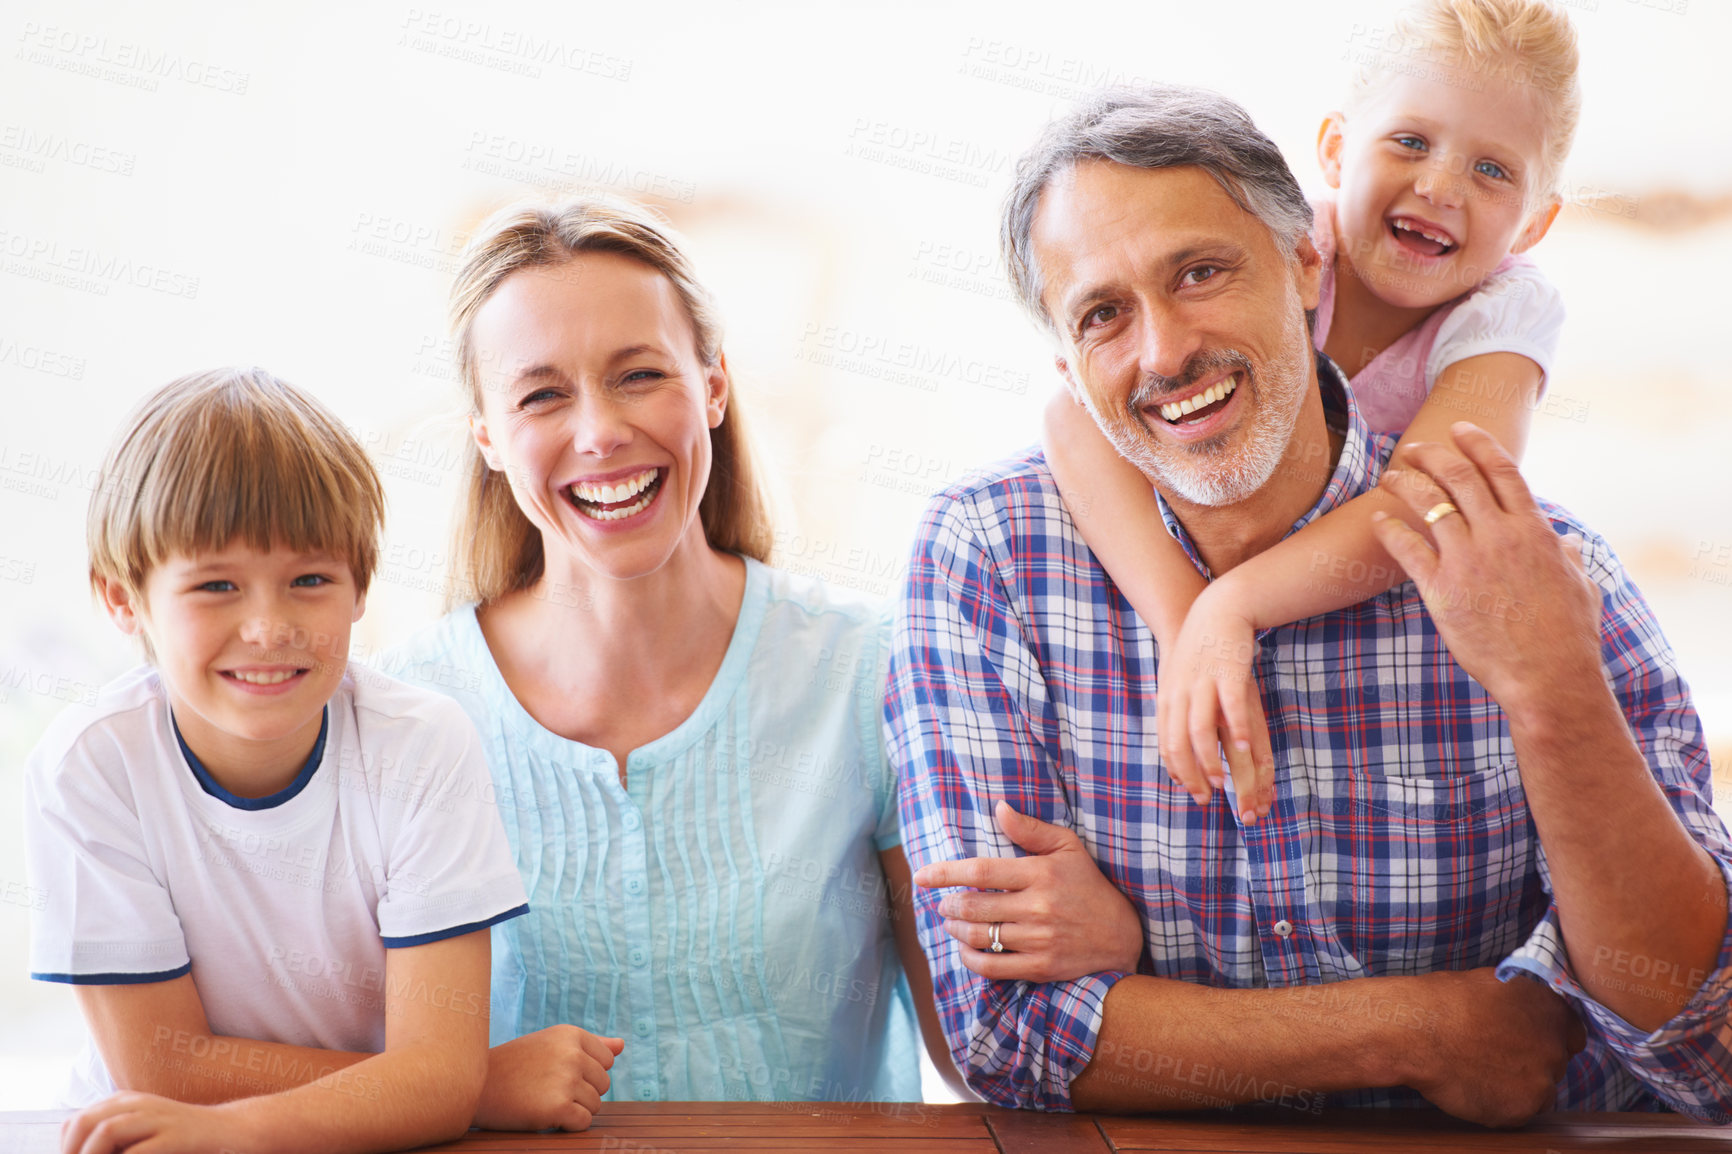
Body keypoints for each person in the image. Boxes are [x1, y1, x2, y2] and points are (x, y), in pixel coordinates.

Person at [886, 84, 1732, 1124]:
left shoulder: (1539, 565)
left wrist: (1554, 694)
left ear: (1303, 263)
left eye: (1199, 272)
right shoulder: (990, 558)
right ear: (1066, 364)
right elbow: (1005, 1030)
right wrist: (1426, 1029)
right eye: (1103, 314)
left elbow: (1704, 1039)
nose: (1162, 352)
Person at [383, 194, 990, 1124]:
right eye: (543, 394)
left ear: (712, 386)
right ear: (488, 439)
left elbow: (978, 1052)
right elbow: (356, 1071)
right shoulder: (406, 716)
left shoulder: (869, 671)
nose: (600, 432)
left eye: (638, 374)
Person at [1043, 0, 1577, 817]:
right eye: (1410, 142)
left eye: (1493, 170)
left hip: (1370, 620)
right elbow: (1070, 418)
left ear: (1536, 221)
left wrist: (1237, 604)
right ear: (1335, 149)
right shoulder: (1278, 251)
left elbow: (1427, 505)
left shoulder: (1504, 315)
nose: (1439, 187)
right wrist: (1187, 619)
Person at [23, 368, 529, 1154]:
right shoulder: (91, 766)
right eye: (217, 585)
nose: (268, 627)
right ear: (125, 601)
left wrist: (436, 1086)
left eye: (310, 580)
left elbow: (435, 1079)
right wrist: (457, 1086)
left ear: (360, 587)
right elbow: (161, 1070)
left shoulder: (421, 744)